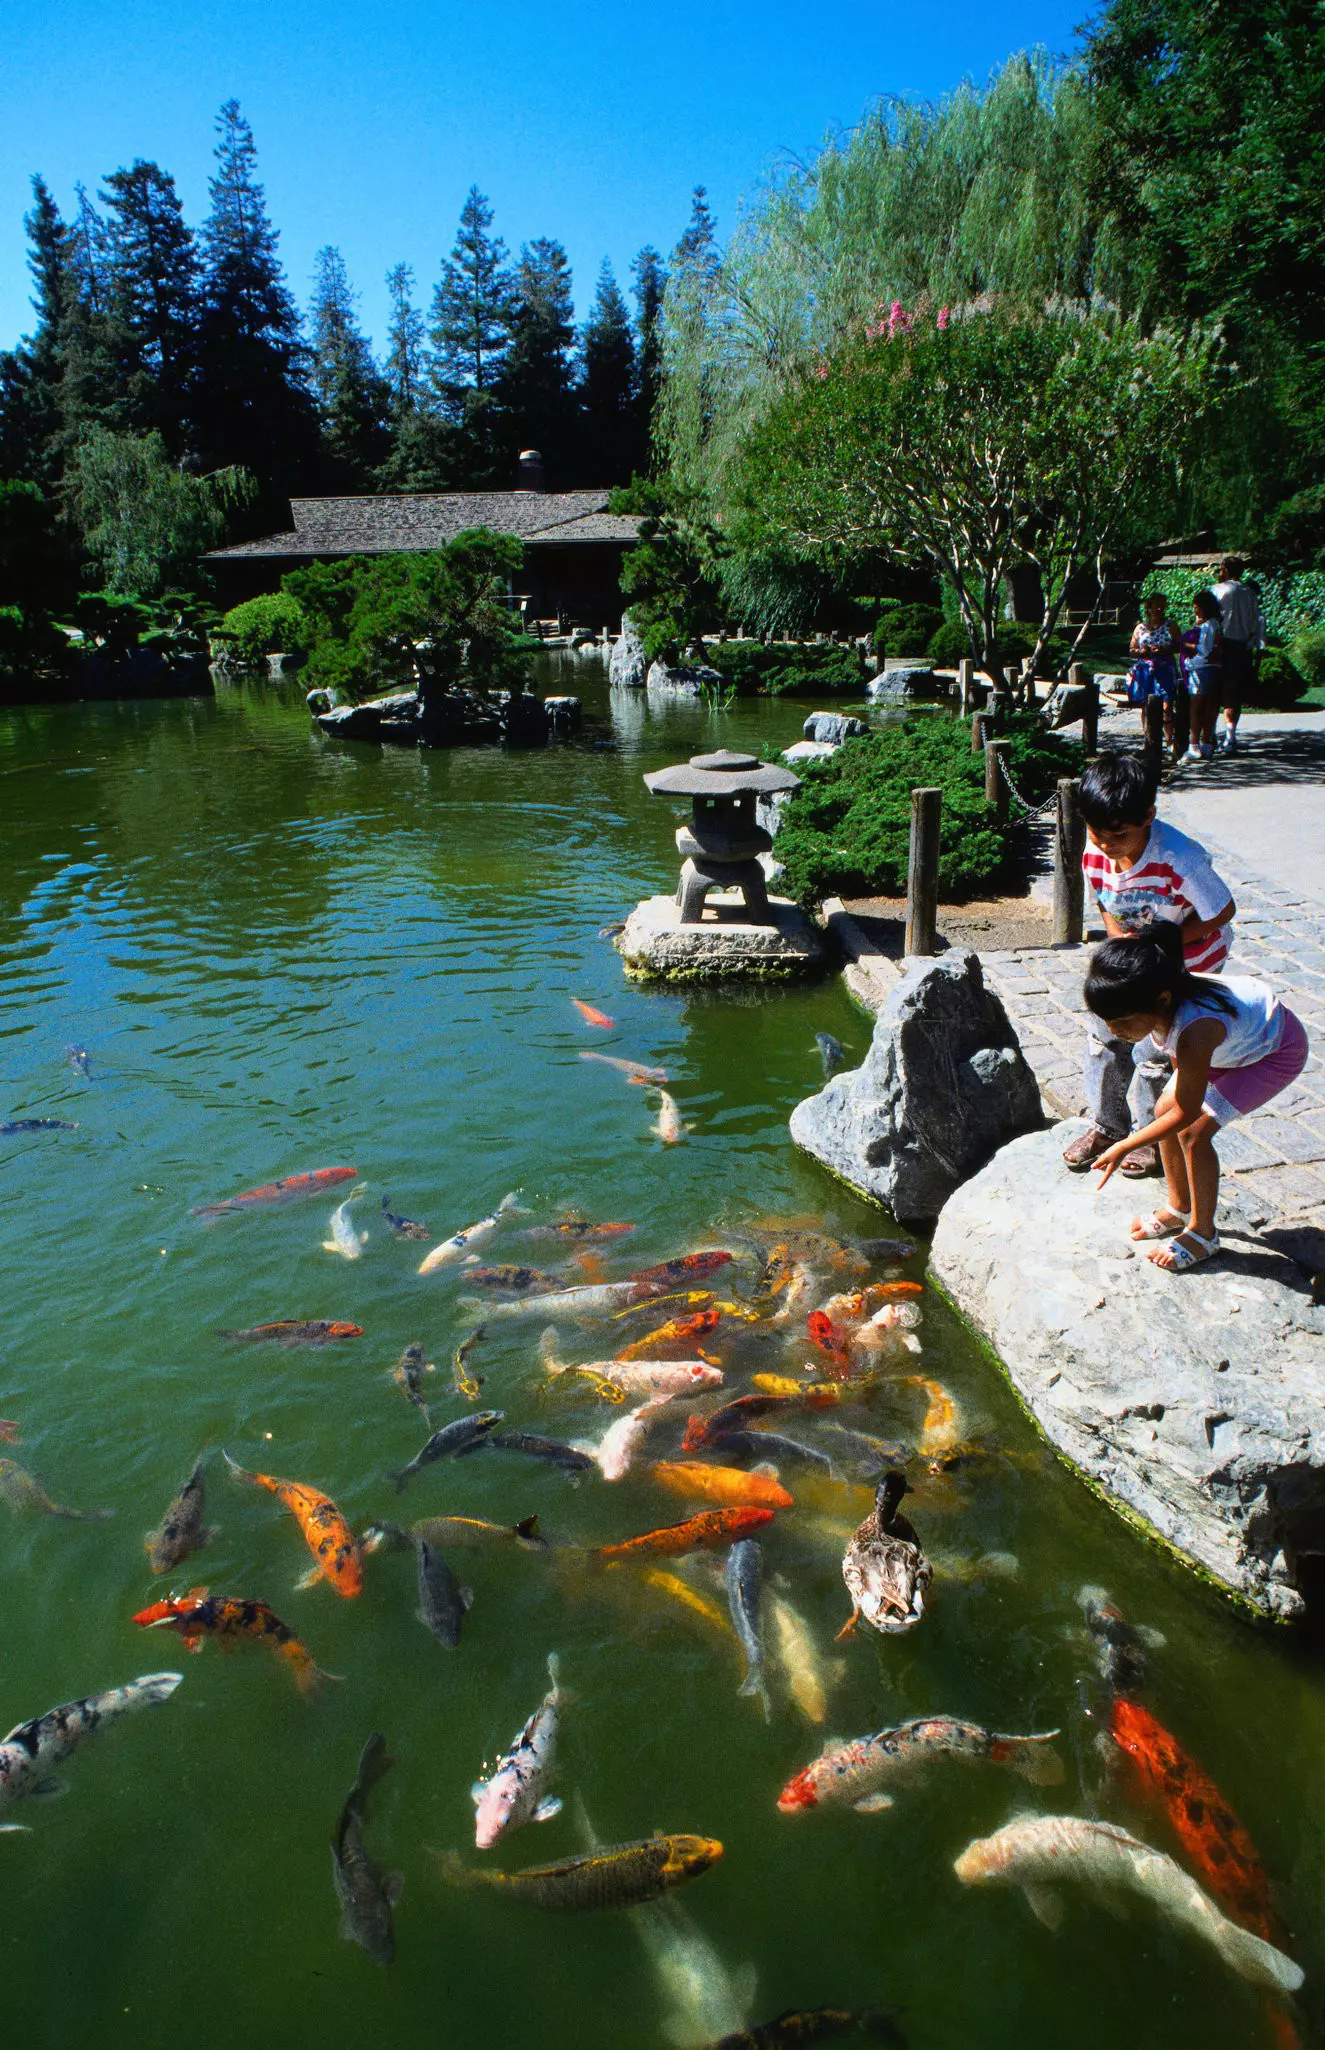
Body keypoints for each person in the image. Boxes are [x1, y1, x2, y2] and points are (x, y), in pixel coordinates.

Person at [1085, 925, 1309, 1272]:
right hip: (1230, 1047)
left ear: (1160, 1001)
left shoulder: (1193, 1029)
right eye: (1108, 1023)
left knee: (1194, 1132)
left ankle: (1203, 1234)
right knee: (1163, 1108)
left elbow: (1188, 1113)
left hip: (1272, 1052)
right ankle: (1179, 1207)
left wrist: (1124, 1144)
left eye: (1122, 1021)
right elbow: (1178, 1090)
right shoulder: (1166, 1002)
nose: (1115, 1032)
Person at [1062, 754, 1235, 1177]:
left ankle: (1153, 1137)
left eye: (1118, 834)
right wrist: (1120, 943)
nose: (1105, 844)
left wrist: (1165, 941)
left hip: (1184, 965)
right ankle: (1106, 1126)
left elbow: (1221, 910)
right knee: (1104, 1033)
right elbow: (1104, 899)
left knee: (1156, 1049)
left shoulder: (1178, 857)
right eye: (1096, 833)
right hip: (1135, 958)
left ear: (1148, 817)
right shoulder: (1098, 845)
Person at [1211, 556, 1260, 752]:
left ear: (1227, 571)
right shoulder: (1249, 593)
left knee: (1213, 691)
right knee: (1233, 692)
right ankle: (1230, 737)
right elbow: (1255, 622)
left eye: (1221, 569)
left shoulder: (1217, 590)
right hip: (1241, 646)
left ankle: (1210, 735)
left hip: (1220, 644)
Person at [1127, 593, 1181, 749]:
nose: (1158, 609)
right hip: (1145, 671)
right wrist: (1141, 651)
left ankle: (1170, 740)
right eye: (1155, 605)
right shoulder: (1141, 627)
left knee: (1167, 706)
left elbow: (1180, 646)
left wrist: (1164, 648)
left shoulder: (1171, 625)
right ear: (1148, 607)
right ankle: (1149, 741)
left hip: (1164, 668)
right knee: (1146, 706)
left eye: (1162, 606)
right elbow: (1132, 650)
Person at [1178, 590, 1222, 762]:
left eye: (1197, 608)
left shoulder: (1208, 626)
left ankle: (1194, 745)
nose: (1195, 611)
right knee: (1210, 706)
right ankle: (1206, 743)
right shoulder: (1216, 623)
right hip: (1215, 668)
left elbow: (1204, 650)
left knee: (1196, 707)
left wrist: (1184, 643)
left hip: (1202, 668)